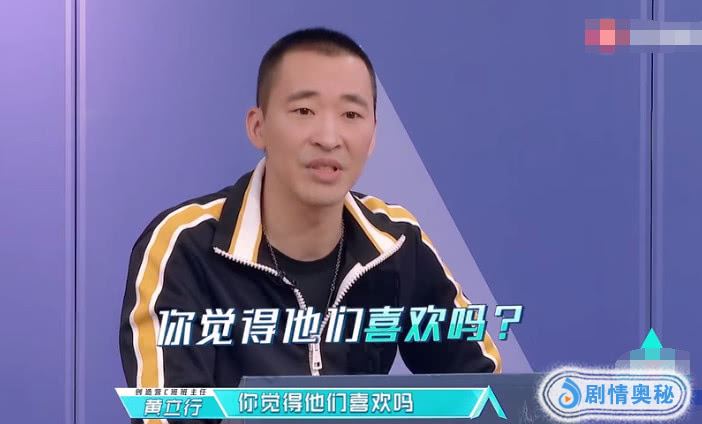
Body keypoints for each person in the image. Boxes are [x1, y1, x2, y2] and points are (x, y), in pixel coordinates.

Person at [119, 26, 501, 412]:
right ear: (258, 127)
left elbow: (484, 391)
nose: (329, 138)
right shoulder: (183, 246)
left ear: (372, 137)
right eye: (304, 111)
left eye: (351, 114)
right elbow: (168, 413)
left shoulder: (397, 242)